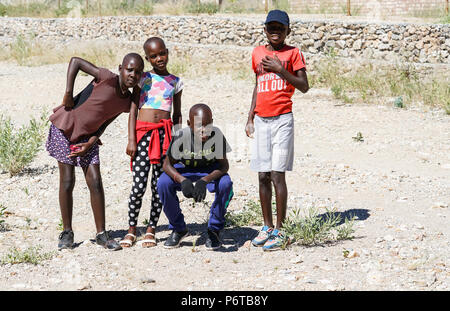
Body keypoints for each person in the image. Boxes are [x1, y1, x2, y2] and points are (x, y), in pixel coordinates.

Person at [47, 53, 144, 250]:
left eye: (138, 72)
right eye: (129, 69)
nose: (133, 74)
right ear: (120, 68)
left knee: (96, 182)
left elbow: (104, 123)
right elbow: (75, 61)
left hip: (87, 138)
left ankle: (101, 234)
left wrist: (90, 143)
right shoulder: (106, 78)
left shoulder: (126, 102)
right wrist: (68, 93)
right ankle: (67, 232)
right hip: (65, 127)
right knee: (67, 181)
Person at [245, 10, 309, 251]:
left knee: (277, 174)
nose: (275, 31)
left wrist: (281, 69)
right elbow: (258, 85)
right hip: (262, 119)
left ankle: (281, 231)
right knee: (262, 174)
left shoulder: (293, 53)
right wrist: (250, 114)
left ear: (287, 31)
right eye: (271, 27)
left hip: (282, 119)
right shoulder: (257, 53)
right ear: (264, 29)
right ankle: (267, 226)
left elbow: (304, 86)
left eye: (280, 28)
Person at [120, 37, 183, 248]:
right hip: (142, 136)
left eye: (162, 53)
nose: (159, 59)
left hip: (164, 137)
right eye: (153, 56)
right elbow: (133, 110)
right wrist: (131, 139)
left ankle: (151, 228)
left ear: (167, 52)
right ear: (147, 59)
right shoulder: (143, 78)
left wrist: (177, 141)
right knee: (138, 186)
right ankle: (131, 229)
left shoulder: (176, 81)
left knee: (157, 185)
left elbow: (177, 115)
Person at [157, 104, 234, 250]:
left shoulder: (216, 135)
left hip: (208, 171)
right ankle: (179, 228)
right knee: (163, 183)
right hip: (185, 169)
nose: (204, 130)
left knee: (225, 183)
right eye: (199, 126)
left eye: (208, 125)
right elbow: (167, 165)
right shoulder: (181, 136)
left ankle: (214, 229)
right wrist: (183, 180)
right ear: (188, 124)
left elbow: (224, 166)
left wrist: (204, 181)